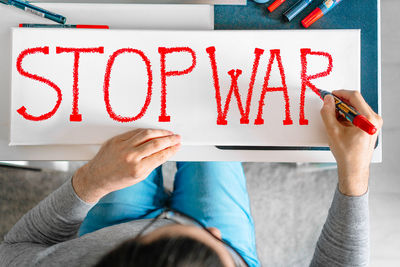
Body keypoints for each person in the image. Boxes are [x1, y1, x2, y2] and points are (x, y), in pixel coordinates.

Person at [0, 90, 382, 267]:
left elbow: (14, 248)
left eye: (147, 241)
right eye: (215, 242)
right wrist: (354, 171)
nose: (213, 231)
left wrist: (92, 180)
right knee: (214, 122)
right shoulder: (217, 233)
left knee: (134, 108)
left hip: (109, 226)